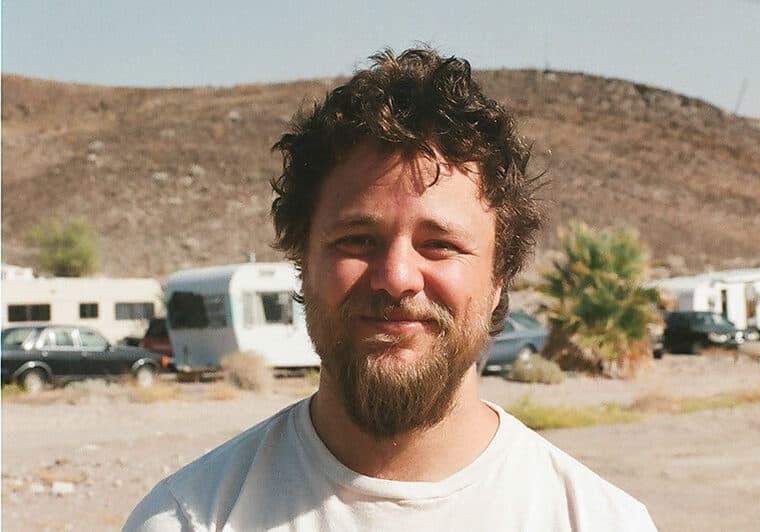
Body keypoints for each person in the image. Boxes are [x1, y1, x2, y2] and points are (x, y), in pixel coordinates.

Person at [124, 48, 657, 532]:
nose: (396, 276)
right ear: (302, 262)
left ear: (499, 280)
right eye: (357, 239)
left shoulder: (598, 520)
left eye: (440, 244)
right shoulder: (189, 519)